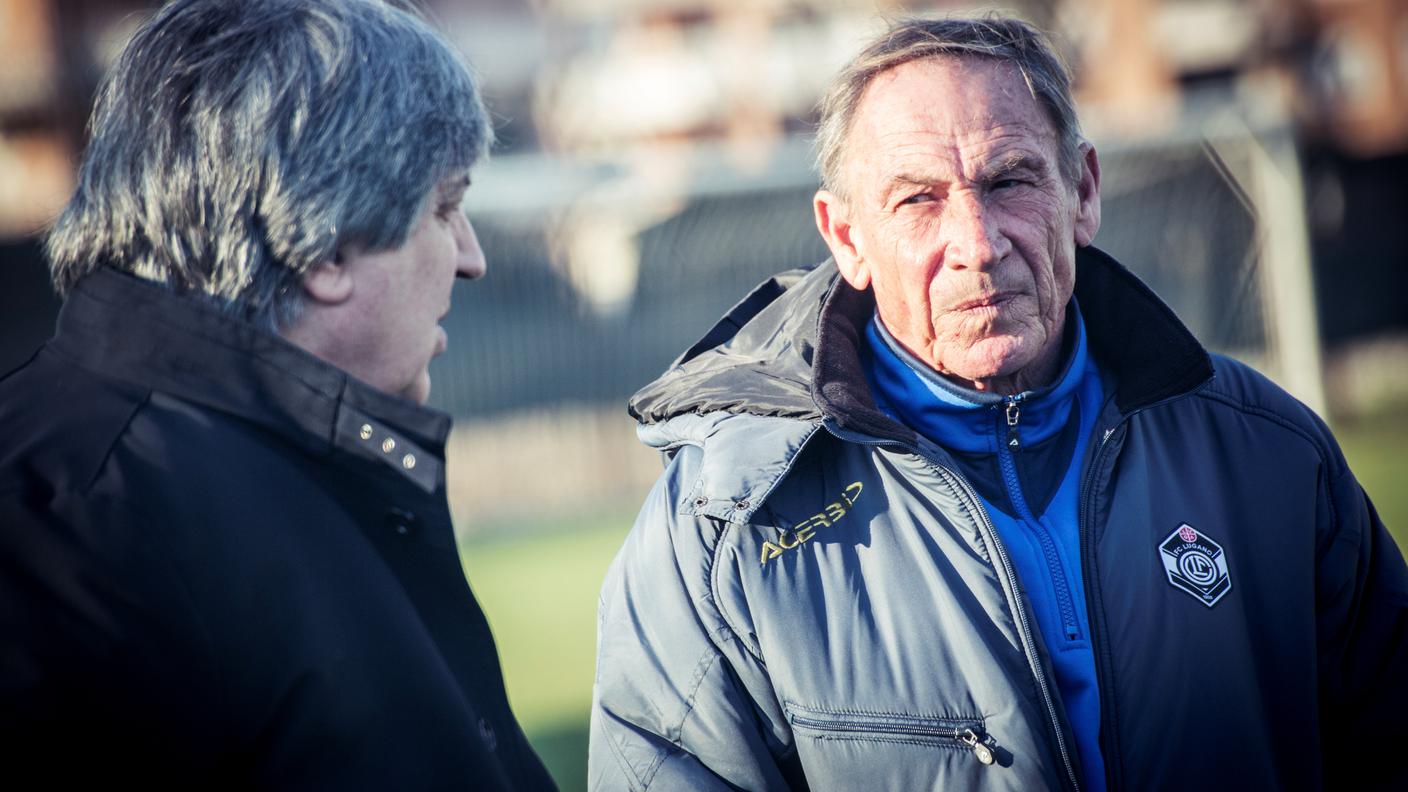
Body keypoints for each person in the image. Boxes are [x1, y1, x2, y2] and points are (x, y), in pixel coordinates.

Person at [589, 15, 1408, 791]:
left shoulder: (1270, 454)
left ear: (1083, 192)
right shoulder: (717, 528)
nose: (977, 244)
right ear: (846, 239)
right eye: (918, 200)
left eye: (1010, 179)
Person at [0, 1, 554, 788]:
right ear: (324, 243)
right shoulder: (75, 534)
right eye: (444, 207)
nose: (471, 257)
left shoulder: (192, 478)